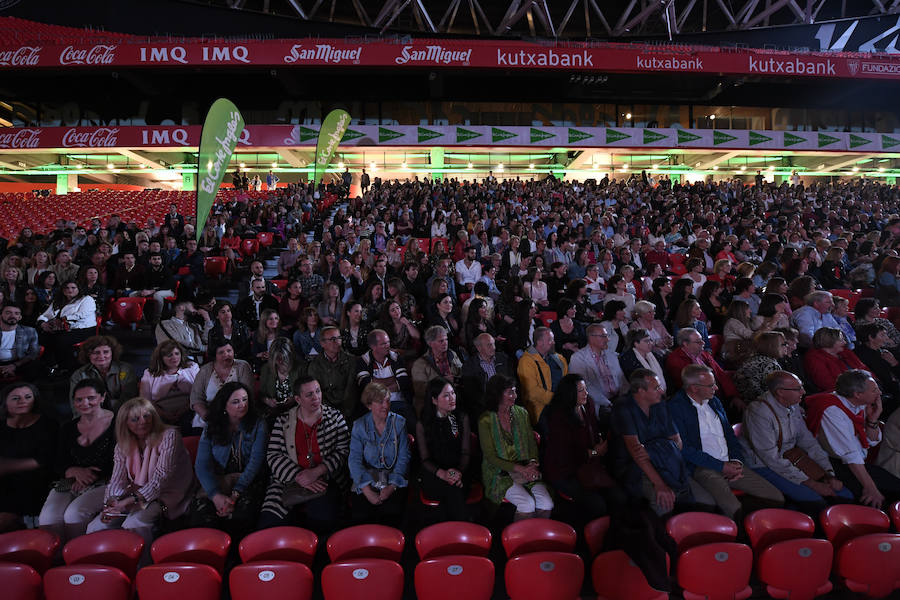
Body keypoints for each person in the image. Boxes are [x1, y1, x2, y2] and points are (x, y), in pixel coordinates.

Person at [668, 364, 784, 519]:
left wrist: (736, 461)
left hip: (729, 463)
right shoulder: (675, 408)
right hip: (703, 468)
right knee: (734, 508)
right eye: (711, 385)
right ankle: (737, 532)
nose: (716, 388)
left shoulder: (714, 402)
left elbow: (729, 436)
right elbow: (684, 449)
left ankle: (749, 523)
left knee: (775, 498)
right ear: (694, 388)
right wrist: (721, 466)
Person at [86, 398, 194, 550]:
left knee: (134, 523)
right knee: (96, 526)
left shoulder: (170, 435)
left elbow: (160, 479)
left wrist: (128, 501)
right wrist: (110, 503)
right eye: (135, 419)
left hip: (168, 494)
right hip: (136, 493)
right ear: (125, 424)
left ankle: (142, 566)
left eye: (147, 416)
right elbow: (117, 480)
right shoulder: (121, 446)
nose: (143, 422)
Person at [739, 371, 852, 513]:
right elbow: (770, 457)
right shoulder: (759, 411)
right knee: (815, 501)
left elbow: (809, 442)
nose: (803, 392)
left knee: (844, 495)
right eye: (798, 389)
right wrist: (812, 484)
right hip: (762, 464)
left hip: (791, 458)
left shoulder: (793, 405)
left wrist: (828, 475)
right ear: (780, 392)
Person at [259, 377, 350, 533]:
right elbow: (273, 455)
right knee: (269, 524)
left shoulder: (335, 417)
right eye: (309, 394)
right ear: (298, 399)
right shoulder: (283, 420)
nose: (316, 397)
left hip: (325, 480)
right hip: (287, 481)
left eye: (318, 391)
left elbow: (344, 449)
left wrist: (317, 472)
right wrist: (300, 476)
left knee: (322, 522)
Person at [806, 369, 900, 508]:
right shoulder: (832, 410)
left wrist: (873, 419)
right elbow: (849, 454)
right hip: (832, 464)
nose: (880, 393)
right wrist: (871, 488)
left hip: (857, 462)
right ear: (857, 394)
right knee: (881, 498)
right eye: (875, 390)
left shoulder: (858, 403)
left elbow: (871, 441)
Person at [39, 379, 114, 543]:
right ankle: (56, 560)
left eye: (91, 398)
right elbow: (58, 462)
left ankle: (77, 556)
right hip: (70, 481)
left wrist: (87, 475)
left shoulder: (117, 423)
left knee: (74, 514)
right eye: (79, 400)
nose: (84, 403)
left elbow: (120, 460)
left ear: (102, 397)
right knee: (48, 517)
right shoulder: (67, 428)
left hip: (107, 481)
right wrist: (73, 472)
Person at [612, 369, 695, 515]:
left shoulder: (659, 404)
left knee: (700, 501)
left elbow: (678, 443)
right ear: (640, 391)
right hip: (635, 468)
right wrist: (659, 485)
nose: (661, 391)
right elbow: (636, 453)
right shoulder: (623, 407)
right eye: (656, 388)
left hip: (664, 463)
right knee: (664, 504)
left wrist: (651, 451)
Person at [542, 374, 624, 519]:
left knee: (618, 496)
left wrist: (598, 443)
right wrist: (593, 453)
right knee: (597, 504)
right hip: (565, 471)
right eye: (581, 390)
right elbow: (563, 454)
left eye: (585, 389)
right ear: (570, 393)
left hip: (589, 465)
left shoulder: (588, 404)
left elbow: (593, 429)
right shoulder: (557, 416)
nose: (586, 393)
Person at [192, 382, 267, 536]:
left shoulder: (258, 423)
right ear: (224, 406)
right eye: (236, 401)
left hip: (249, 481)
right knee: (202, 518)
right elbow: (202, 465)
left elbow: (255, 462)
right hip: (220, 480)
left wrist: (235, 493)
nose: (242, 405)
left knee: (240, 518)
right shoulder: (212, 426)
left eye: (245, 400)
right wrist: (215, 495)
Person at [478, 374, 553, 520]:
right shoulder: (485, 420)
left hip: (525, 469)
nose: (515, 395)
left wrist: (531, 464)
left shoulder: (522, 413)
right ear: (498, 394)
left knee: (546, 503)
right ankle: (520, 541)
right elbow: (491, 457)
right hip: (499, 473)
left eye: (515, 391)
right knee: (527, 504)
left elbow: (532, 445)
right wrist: (521, 469)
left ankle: (538, 539)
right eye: (510, 392)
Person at [348, 382, 410, 526]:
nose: (386, 405)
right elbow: (354, 460)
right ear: (369, 405)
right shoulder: (359, 426)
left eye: (387, 400)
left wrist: (391, 486)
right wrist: (367, 490)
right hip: (367, 476)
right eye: (380, 402)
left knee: (391, 515)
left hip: (393, 476)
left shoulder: (399, 423)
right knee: (361, 516)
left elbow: (404, 457)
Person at [0, 383, 58, 531]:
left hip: (37, 480)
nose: (22, 401)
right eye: (15, 398)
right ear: (5, 403)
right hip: (6, 481)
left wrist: (6, 466)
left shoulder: (48, 424)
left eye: (27, 397)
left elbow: (45, 459)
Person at [415, 378, 472, 521]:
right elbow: (425, 459)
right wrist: (442, 473)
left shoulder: (462, 417)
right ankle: (458, 531)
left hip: (460, 471)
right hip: (434, 473)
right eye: (446, 395)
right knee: (452, 491)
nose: (452, 398)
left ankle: (446, 534)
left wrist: (457, 472)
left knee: (454, 488)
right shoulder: (423, 424)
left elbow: (465, 452)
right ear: (434, 400)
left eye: (453, 393)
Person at [569, 323, 629, 427]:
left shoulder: (611, 355)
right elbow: (585, 386)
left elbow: (621, 378)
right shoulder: (578, 358)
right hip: (598, 402)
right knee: (620, 419)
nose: (608, 339)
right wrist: (608, 403)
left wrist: (624, 396)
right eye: (604, 336)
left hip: (619, 397)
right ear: (591, 338)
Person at [189, 341, 254, 431]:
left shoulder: (242, 366)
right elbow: (196, 399)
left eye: (229, 351)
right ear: (214, 355)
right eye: (221, 352)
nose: (226, 355)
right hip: (209, 417)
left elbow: (248, 395)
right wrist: (209, 418)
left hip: (237, 416)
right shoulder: (204, 370)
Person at [38, 280, 97, 372]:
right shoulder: (58, 301)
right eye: (67, 288)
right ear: (62, 290)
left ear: (78, 289)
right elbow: (46, 314)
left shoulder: (86, 299)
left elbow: (82, 314)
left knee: (60, 340)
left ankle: (66, 368)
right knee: (43, 337)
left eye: (73, 288)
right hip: (62, 328)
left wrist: (63, 319)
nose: (70, 290)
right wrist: (42, 323)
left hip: (84, 329)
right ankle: (50, 365)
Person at [355, 329, 413, 422]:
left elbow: (403, 382)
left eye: (388, 342)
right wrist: (393, 380)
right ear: (373, 347)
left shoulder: (396, 357)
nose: (388, 346)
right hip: (375, 406)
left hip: (398, 403)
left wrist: (375, 382)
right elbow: (366, 386)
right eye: (383, 344)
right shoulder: (363, 361)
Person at [69, 336, 138, 412]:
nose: (101, 356)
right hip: (90, 416)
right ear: (88, 355)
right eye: (96, 352)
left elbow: (130, 398)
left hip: (122, 414)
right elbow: (76, 404)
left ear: (113, 353)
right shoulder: (79, 375)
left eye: (106, 352)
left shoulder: (126, 369)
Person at [517, 327, 569, 425]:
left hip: (563, 404)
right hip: (541, 409)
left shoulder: (560, 359)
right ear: (540, 342)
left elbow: (567, 381)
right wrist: (558, 400)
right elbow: (532, 392)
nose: (553, 342)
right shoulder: (526, 361)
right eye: (550, 340)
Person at [460, 333, 515, 420]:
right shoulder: (470, 366)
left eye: (493, 344)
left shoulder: (503, 359)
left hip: (507, 401)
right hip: (485, 408)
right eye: (489, 345)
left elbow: (512, 381)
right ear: (479, 348)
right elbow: (472, 394)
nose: (493, 347)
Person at [307, 326, 358, 421]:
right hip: (325, 411)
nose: (338, 342)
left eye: (339, 338)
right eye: (333, 339)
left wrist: (345, 411)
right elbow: (316, 391)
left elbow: (351, 389)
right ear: (322, 343)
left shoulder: (351, 361)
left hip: (348, 410)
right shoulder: (315, 365)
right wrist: (328, 411)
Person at [411, 325, 464, 416]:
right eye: (441, 341)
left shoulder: (452, 355)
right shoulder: (420, 364)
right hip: (433, 404)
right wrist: (443, 384)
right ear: (431, 343)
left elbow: (462, 373)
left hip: (455, 397)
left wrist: (456, 380)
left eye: (446, 339)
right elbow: (420, 390)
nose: (445, 343)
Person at [803, 327, 870, 393]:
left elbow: (863, 368)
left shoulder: (845, 352)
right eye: (841, 340)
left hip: (864, 387)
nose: (845, 343)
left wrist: (872, 382)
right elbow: (826, 383)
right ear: (829, 341)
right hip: (843, 393)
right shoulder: (814, 358)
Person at [259, 337, 304, 424]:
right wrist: (268, 401)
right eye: (276, 358)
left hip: (296, 411)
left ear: (290, 356)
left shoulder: (300, 368)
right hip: (272, 412)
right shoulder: (266, 369)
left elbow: (306, 392)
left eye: (282, 358)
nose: (279, 361)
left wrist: (294, 399)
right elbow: (261, 394)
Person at [619, 328, 667, 396]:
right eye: (646, 341)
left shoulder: (655, 355)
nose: (651, 343)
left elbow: (665, 375)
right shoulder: (628, 360)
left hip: (661, 393)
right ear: (636, 344)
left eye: (650, 340)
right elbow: (637, 383)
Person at [0, 303, 40, 380]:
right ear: (1, 315)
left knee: (35, 365)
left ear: (20, 317)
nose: (12, 316)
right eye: (8, 313)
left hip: (18, 363)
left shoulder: (30, 331)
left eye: (16, 313)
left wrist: (14, 366)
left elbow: (33, 353)